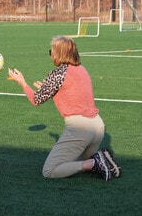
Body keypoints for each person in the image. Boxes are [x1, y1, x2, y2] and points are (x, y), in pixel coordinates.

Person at [8, 36, 121, 181]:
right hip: (98, 127)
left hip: (80, 129)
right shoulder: (81, 69)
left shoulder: (58, 73)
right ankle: (99, 159)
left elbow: (36, 100)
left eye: (51, 51)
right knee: (73, 164)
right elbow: (71, 93)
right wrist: (49, 90)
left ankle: (94, 162)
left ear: (58, 53)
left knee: (50, 171)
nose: (51, 54)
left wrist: (22, 83)